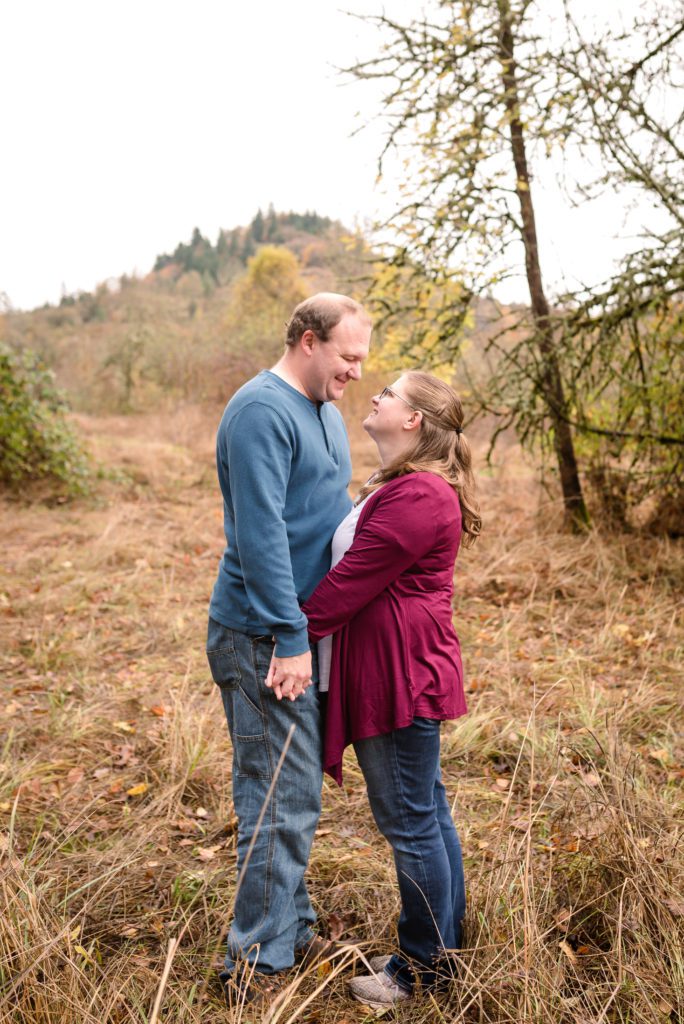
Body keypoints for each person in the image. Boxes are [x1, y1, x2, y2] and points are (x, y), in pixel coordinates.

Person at [205, 293, 371, 1006]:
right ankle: (255, 963)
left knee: (295, 790)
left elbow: (323, 508)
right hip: (261, 636)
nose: (356, 374)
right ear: (308, 341)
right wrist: (291, 637)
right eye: (347, 357)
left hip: (298, 633)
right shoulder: (259, 413)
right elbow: (261, 536)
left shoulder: (324, 412)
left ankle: (288, 925)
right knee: (275, 795)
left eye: (362, 360)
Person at [297, 370, 481, 1008]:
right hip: (398, 666)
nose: (374, 397)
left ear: (413, 421)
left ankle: (422, 967)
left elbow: (349, 585)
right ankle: (447, 946)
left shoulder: (420, 497)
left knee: (410, 821)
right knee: (426, 813)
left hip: (397, 675)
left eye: (388, 394)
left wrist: (284, 637)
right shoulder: (407, 487)